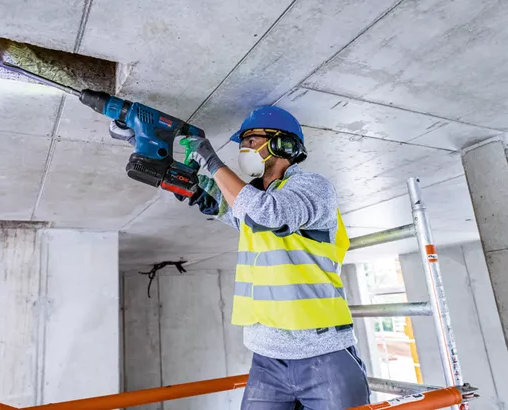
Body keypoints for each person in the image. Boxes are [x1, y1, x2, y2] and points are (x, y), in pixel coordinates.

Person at [110, 106, 370, 409]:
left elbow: (267, 213)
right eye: (243, 142)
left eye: (251, 140)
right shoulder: (251, 202)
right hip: (267, 359)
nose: (244, 148)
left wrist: (212, 161)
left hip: (322, 352)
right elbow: (211, 197)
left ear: (283, 144)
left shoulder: (312, 187)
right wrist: (145, 147)